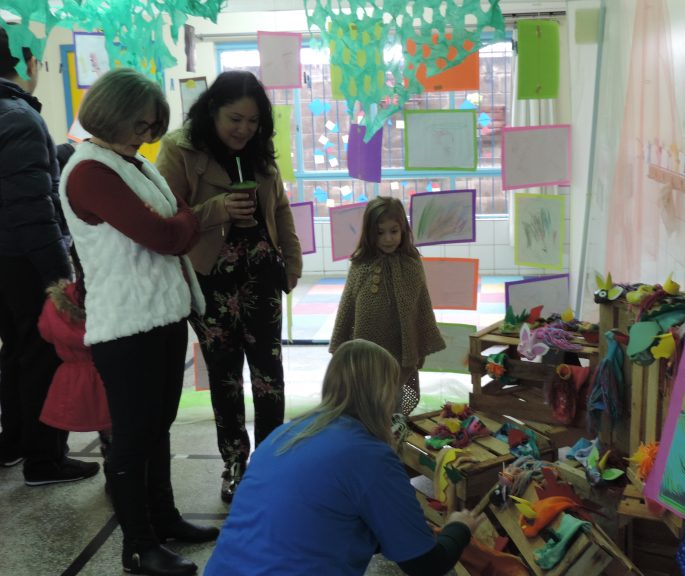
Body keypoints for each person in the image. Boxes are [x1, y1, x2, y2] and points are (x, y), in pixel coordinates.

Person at [59, 67, 218, 576]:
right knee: (132, 437)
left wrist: (181, 222)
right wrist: (185, 222)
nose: (147, 135)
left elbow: (176, 218)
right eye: (141, 124)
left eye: (153, 126)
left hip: (162, 314)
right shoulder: (90, 171)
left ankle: (164, 519)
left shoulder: (132, 162)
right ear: (112, 115)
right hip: (126, 325)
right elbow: (167, 235)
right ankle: (138, 545)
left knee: (158, 427)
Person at [204, 339, 480, 576]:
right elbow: (426, 564)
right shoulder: (370, 456)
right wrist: (459, 527)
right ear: (384, 394)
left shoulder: (285, 433)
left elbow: (321, 519)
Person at [156, 70, 303, 503]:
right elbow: (166, 218)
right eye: (234, 119)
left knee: (268, 371)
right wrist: (219, 208)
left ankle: (270, 464)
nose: (244, 130)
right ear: (212, 111)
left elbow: (280, 208)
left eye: (253, 121)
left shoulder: (259, 150)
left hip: (262, 275)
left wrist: (292, 261)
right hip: (210, 279)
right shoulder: (180, 149)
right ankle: (235, 462)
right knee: (224, 374)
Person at [0, 24, 99, 484]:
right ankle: (45, 460)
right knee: (43, 355)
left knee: (15, 352)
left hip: (5, 259)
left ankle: (14, 443)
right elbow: (31, 207)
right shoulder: (20, 117)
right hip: (26, 258)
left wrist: (61, 152)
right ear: (27, 64)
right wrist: (62, 276)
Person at [330, 196, 445, 416]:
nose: (388, 238)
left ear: (403, 230)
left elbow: (420, 310)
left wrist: (414, 354)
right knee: (364, 410)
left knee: (392, 411)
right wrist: (339, 343)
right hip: (364, 356)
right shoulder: (361, 265)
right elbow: (347, 308)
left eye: (394, 231)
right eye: (380, 232)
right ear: (369, 233)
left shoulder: (411, 265)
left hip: (398, 358)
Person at [37, 245, 112, 484]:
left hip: (75, 376)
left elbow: (46, 331)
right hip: (111, 373)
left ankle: (114, 474)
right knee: (119, 430)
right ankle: (120, 479)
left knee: (106, 430)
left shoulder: (57, 302)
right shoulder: (111, 295)